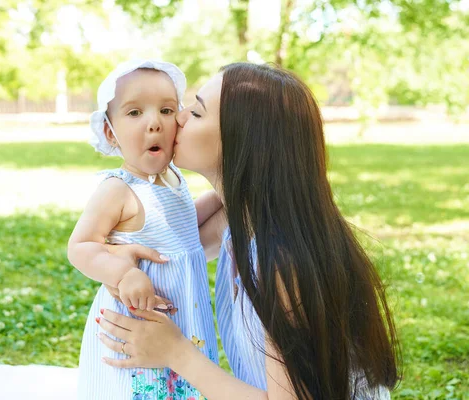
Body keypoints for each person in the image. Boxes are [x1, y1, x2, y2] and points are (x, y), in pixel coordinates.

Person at [96, 62, 400, 399]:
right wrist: (116, 254)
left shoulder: (281, 264)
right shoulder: (241, 218)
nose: (178, 118)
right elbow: (169, 250)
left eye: (196, 112)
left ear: (242, 142)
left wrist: (177, 353)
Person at [68, 59, 218, 400]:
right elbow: (80, 246)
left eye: (166, 110)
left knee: (185, 384)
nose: (154, 123)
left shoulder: (173, 180)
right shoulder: (117, 189)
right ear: (110, 132)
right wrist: (123, 274)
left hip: (182, 324)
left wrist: (221, 197)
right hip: (136, 328)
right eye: (135, 113)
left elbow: (179, 227)